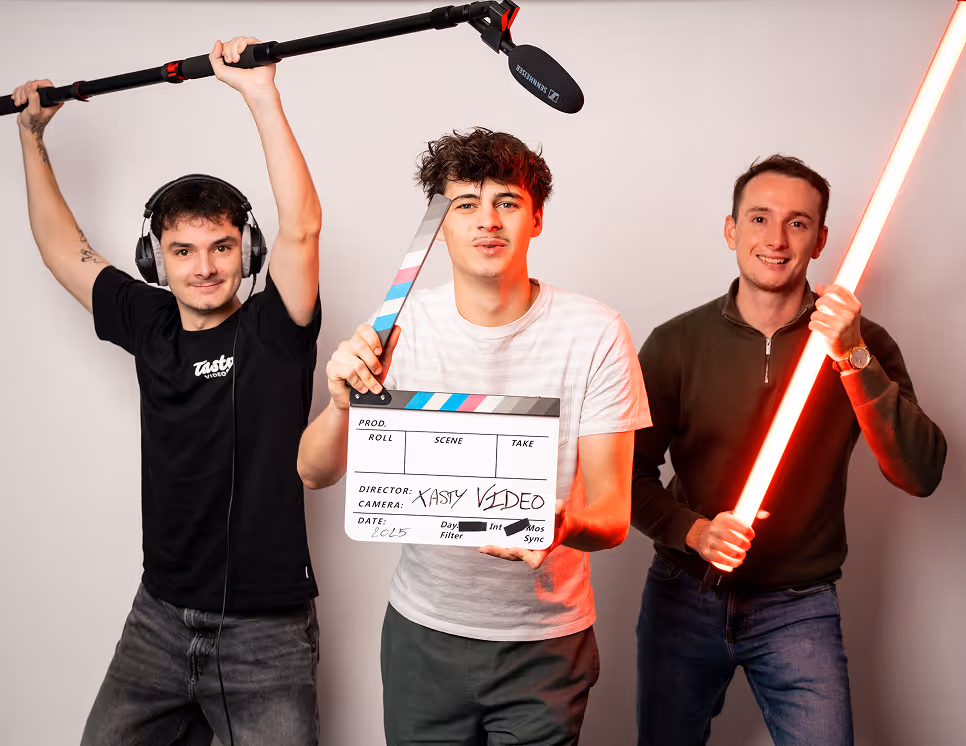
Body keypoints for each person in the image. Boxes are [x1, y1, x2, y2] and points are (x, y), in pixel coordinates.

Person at [13, 36, 323, 745]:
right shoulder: (148, 322)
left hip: (266, 636)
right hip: (158, 619)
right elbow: (63, 248)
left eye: (221, 247)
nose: (205, 267)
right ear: (157, 258)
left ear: (246, 252)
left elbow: (302, 226)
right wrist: (31, 138)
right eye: (183, 250)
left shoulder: (279, 327)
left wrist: (260, 96)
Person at [298, 127, 649, 745]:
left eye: (507, 202)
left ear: (536, 218)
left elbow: (614, 517)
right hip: (424, 633)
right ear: (440, 225)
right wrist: (338, 404)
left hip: (547, 640)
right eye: (466, 204)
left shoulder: (596, 334)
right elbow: (315, 471)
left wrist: (561, 522)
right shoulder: (397, 330)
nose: (487, 220)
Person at [631, 154, 947, 746]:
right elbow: (627, 474)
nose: (776, 239)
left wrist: (853, 359)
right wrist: (695, 532)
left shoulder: (865, 344)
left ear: (822, 240)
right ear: (731, 230)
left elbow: (921, 473)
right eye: (759, 219)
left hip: (798, 605)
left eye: (798, 223)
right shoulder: (675, 344)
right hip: (684, 594)